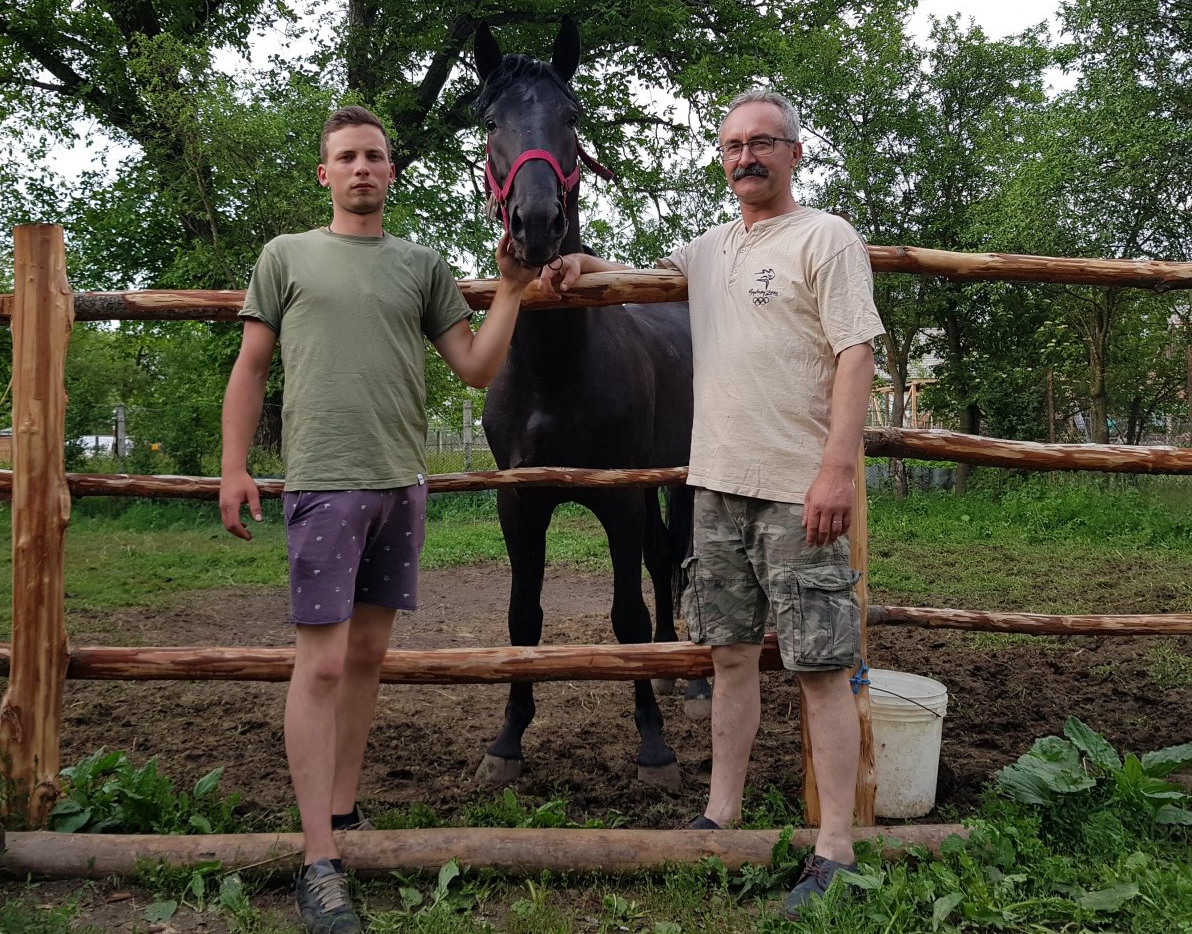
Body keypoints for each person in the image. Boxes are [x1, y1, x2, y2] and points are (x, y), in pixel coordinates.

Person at [538, 88, 884, 918]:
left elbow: (857, 352)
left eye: (763, 143)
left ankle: (836, 846)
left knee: (822, 669)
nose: (746, 158)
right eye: (732, 146)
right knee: (728, 659)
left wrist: (838, 468)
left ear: (794, 153)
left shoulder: (826, 239)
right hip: (714, 493)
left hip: (798, 493)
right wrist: (587, 268)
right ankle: (720, 815)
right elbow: (644, 279)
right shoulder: (710, 249)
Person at [219, 105, 539, 934]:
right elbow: (251, 366)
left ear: (392, 173)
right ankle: (318, 859)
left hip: (404, 487)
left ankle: (345, 812)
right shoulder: (285, 258)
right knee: (320, 666)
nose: (362, 168)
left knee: (365, 658)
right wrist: (232, 467)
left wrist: (509, 291)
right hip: (323, 484)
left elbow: (475, 367)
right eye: (347, 157)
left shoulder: (421, 265)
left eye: (375, 157)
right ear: (325, 174)